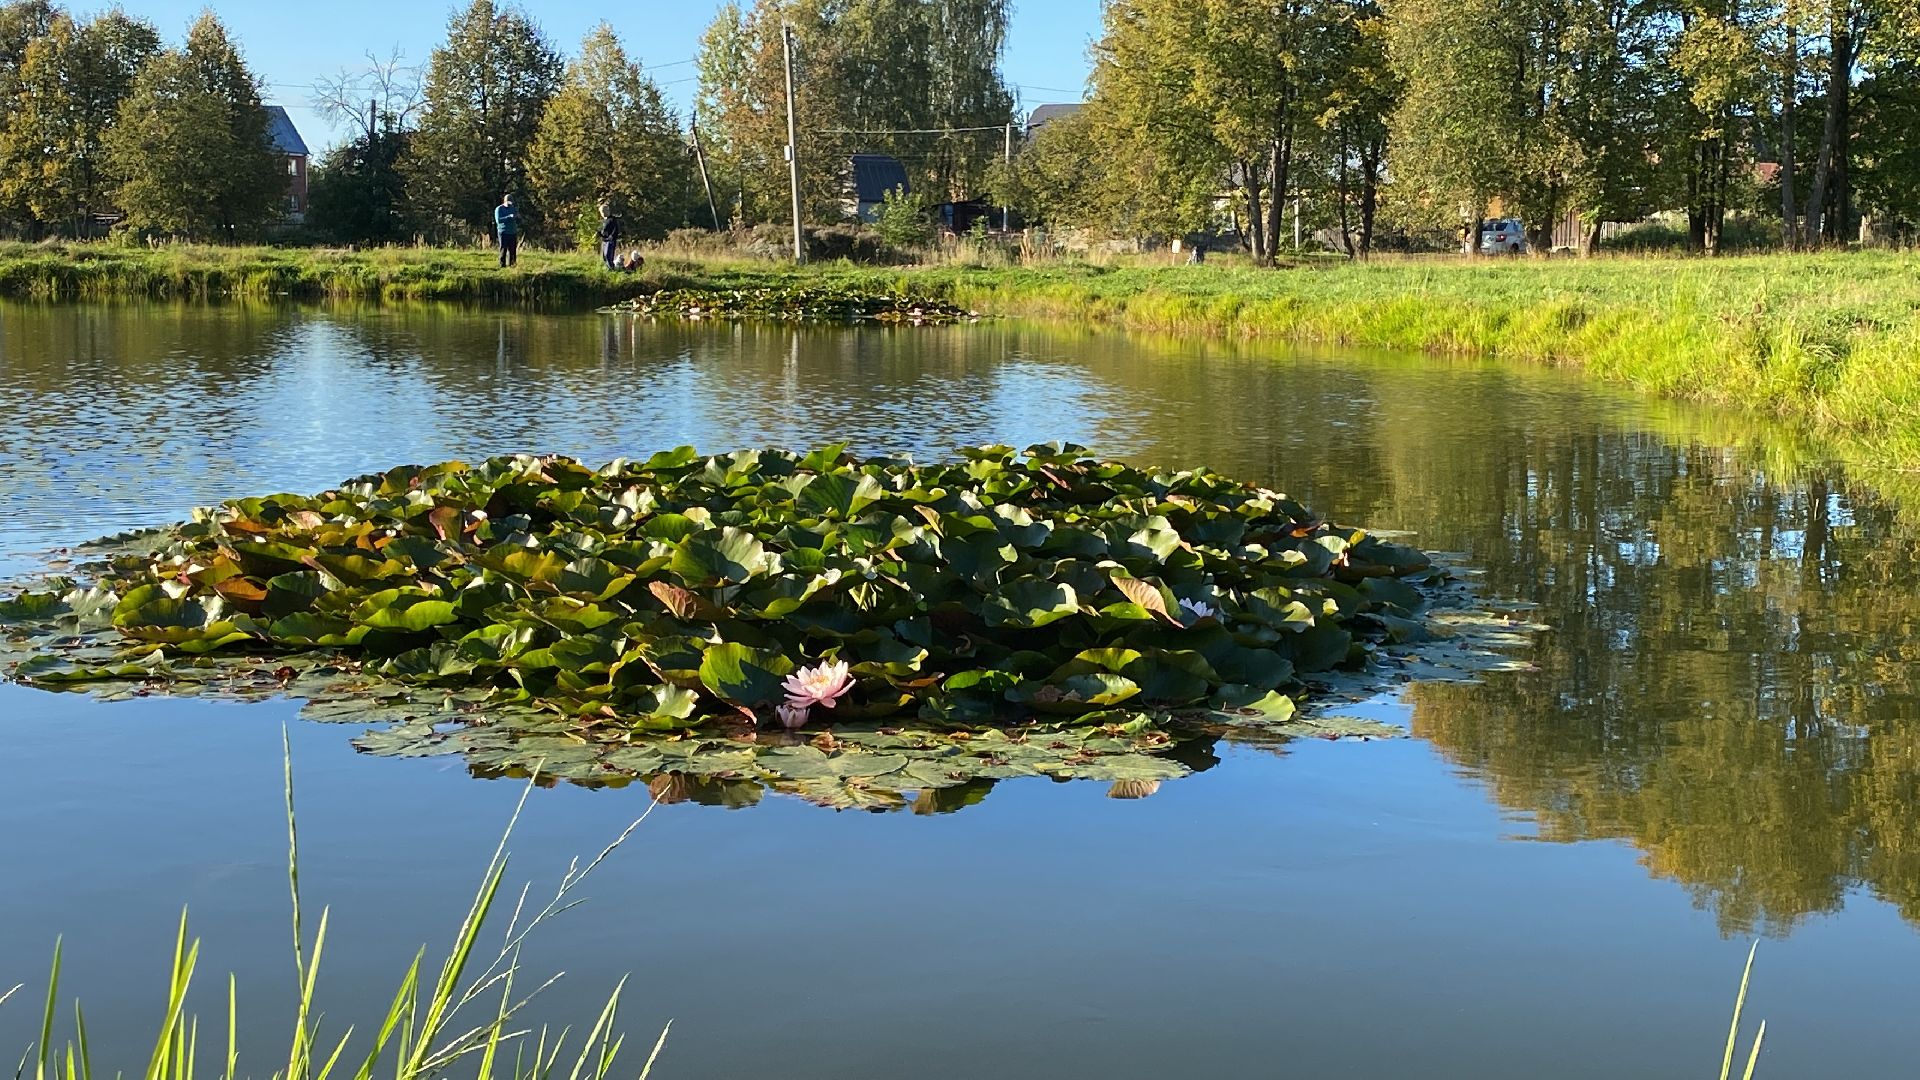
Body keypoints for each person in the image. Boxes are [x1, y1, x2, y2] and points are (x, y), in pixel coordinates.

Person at [494, 194, 520, 268]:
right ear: (505, 201)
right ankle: (502, 265)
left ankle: (513, 264)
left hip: (512, 232)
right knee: (503, 249)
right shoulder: (499, 209)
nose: (510, 204)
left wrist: (517, 216)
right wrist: (509, 217)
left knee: (512, 250)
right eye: (509, 202)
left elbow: (517, 220)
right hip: (503, 232)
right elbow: (498, 220)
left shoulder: (513, 209)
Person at [596, 201, 622, 270]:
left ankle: (611, 269)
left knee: (608, 255)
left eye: (604, 211)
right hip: (604, 240)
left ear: (607, 210)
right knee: (604, 256)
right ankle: (608, 268)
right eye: (601, 211)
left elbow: (615, 230)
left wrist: (611, 237)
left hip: (610, 241)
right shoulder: (604, 221)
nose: (602, 213)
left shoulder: (612, 219)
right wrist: (599, 233)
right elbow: (602, 230)